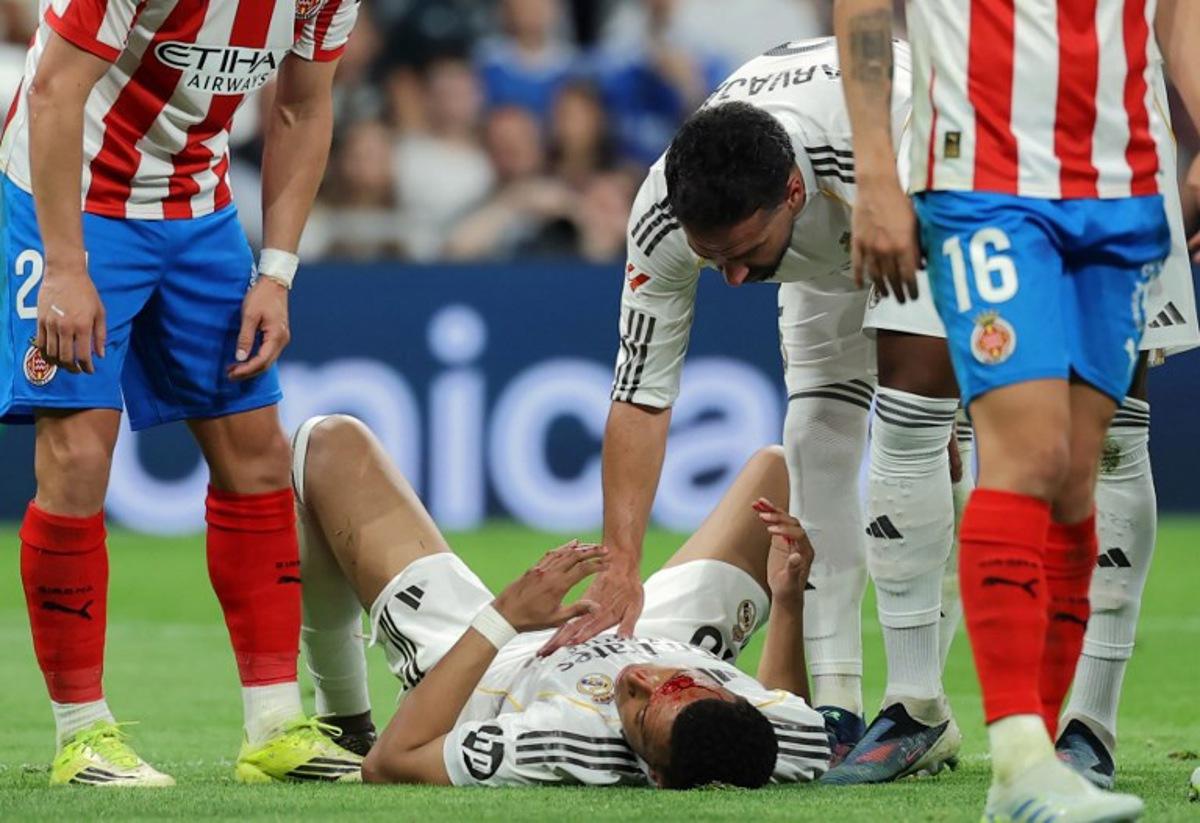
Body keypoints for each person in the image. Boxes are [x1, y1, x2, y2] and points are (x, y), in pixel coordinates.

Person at [552, 36, 967, 777]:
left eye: (746, 250)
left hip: (913, 187)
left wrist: (952, 391)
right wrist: (621, 564)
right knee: (815, 430)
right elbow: (640, 393)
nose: (735, 279)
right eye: (714, 258)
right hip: (826, 217)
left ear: (792, 196)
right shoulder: (661, 213)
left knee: (922, 434)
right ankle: (835, 704)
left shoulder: (903, 138)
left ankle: (917, 703)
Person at [835, 0, 1200, 817]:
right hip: (985, 182)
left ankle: (1031, 771)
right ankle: (1020, 753)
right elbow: (863, 8)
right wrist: (876, 172)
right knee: (1028, 454)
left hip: (1123, 188)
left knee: (1077, 478)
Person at [2, 0, 362, 786]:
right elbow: (55, 91)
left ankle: (274, 727)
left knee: (256, 453)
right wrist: (66, 267)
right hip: (70, 197)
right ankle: (82, 735)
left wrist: (276, 270)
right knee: (77, 452)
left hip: (198, 208)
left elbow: (302, 103)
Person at [291, 414, 832, 788]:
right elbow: (795, 715)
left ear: (655, 776)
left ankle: (343, 719)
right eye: (678, 683)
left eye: (639, 714)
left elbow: (390, 765)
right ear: (738, 700)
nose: (638, 679)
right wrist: (787, 604)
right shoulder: (779, 741)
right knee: (781, 471)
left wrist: (504, 618)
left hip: (488, 665)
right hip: (661, 633)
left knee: (328, 443)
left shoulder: (562, 744)